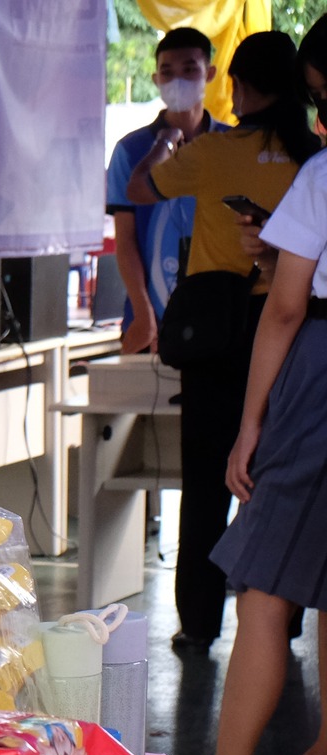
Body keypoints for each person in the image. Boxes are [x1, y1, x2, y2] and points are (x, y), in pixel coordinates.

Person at [130, 30, 320, 652]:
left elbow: (139, 190)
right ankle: (282, 619)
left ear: (234, 84)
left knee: (207, 481)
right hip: (294, 339)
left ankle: (200, 623)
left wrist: (166, 138)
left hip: (215, 339)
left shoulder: (212, 152)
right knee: (277, 479)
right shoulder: (310, 157)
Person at [203, 18, 327, 755]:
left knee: (265, 587)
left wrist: (250, 424)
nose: (319, 119)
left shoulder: (322, 178)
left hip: (319, 376)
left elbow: (283, 310)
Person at [106, 29, 224, 356]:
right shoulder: (130, 151)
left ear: (209, 74)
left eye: (190, 70)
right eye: (168, 72)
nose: (178, 81)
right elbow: (125, 240)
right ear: (155, 78)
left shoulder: (229, 145)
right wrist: (144, 313)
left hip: (220, 317)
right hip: (150, 319)